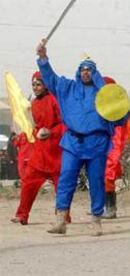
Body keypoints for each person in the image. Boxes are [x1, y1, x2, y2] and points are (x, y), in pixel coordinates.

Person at [36, 40, 129, 235]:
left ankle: (96, 219)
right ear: (78, 72)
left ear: (95, 72)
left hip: (97, 143)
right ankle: (60, 219)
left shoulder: (105, 94)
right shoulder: (67, 88)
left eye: (89, 69)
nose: (86, 72)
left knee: (96, 181)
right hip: (73, 143)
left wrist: (118, 106)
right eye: (83, 69)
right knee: (66, 179)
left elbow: (122, 117)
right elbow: (50, 78)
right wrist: (43, 58)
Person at [11, 71, 65, 225]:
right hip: (40, 151)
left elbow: (64, 124)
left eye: (38, 84)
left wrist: (51, 132)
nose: (35, 87)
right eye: (33, 84)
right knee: (29, 182)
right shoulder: (34, 103)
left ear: (46, 85)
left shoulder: (55, 100)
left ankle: (63, 216)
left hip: (56, 151)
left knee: (61, 187)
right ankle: (22, 215)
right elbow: (36, 126)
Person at [102, 76, 130, 219]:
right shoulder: (98, 106)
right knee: (98, 175)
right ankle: (102, 206)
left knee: (108, 175)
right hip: (99, 145)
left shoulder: (122, 109)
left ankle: (110, 208)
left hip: (114, 146)